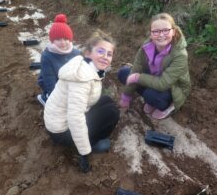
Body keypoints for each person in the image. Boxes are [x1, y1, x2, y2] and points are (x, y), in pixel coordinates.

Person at [44, 30, 120, 173]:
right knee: (112, 113)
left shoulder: (86, 67)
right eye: (100, 51)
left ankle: (88, 139)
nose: (105, 57)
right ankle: (91, 144)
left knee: (107, 100)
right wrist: (84, 152)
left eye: (109, 54)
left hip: (59, 119)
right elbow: (75, 118)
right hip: (61, 131)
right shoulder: (81, 79)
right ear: (88, 53)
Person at [118, 13, 191, 120]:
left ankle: (169, 106)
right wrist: (126, 96)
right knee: (124, 73)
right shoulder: (146, 46)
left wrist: (138, 77)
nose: (161, 35)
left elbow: (163, 84)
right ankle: (150, 99)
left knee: (150, 95)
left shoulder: (180, 55)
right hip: (153, 78)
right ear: (151, 34)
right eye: (156, 31)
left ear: (174, 32)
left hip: (173, 88)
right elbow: (136, 68)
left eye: (166, 30)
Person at [37, 14, 80, 106]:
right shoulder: (47, 56)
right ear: (52, 41)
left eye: (65, 39)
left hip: (66, 81)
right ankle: (45, 97)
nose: (63, 43)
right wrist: (57, 100)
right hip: (51, 81)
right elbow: (49, 80)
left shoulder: (76, 53)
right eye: (58, 39)